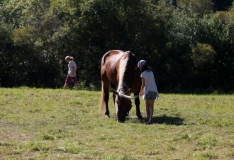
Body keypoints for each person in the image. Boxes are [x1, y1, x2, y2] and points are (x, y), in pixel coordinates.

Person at [137, 60, 159, 124]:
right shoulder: (151, 72)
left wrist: (141, 91)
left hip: (147, 91)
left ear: (142, 66)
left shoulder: (142, 74)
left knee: (147, 106)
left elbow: (143, 84)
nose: (139, 68)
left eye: (139, 67)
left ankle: (148, 120)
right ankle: (150, 119)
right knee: (151, 106)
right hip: (154, 91)